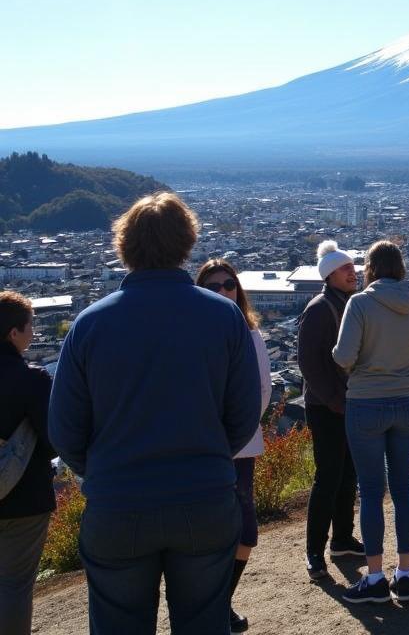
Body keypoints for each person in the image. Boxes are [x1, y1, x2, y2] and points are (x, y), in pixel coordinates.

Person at [49, 192, 261, 635]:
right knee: (203, 621)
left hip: (118, 502)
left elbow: (64, 429)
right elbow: (245, 414)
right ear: (186, 243)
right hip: (203, 498)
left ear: (124, 245)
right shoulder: (224, 317)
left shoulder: (90, 324)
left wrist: (107, 469)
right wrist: (208, 456)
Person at [332, 240, 409, 606]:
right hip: (407, 400)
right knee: (403, 488)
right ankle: (404, 575)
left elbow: (344, 357)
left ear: (370, 269)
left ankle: (374, 578)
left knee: (372, 491)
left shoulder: (360, 303)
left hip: (366, 403)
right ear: (401, 267)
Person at [196, 259, 273, 634]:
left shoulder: (250, 333)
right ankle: (209, 608)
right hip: (200, 449)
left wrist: (232, 435)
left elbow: (262, 391)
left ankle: (221, 599)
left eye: (228, 284)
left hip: (238, 448)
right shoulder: (189, 334)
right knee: (201, 530)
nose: (223, 291)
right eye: (212, 287)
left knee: (244, 530)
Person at [297, 240, 363, 581]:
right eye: (345, 269)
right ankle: (314, 551)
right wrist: (335, 398)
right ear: (329, 275)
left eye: (353, 267)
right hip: (326, 406)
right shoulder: (320, 307)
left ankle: (342, 539)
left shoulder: (351, 303)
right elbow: (307, 362)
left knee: (348, 473)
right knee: (328, 477)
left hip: (349, 402)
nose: (353, 273)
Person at [0, 292, 55, 635]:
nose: (34, 332)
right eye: (30, 326)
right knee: (15, 584)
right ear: (13, 333)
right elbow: (53, 439)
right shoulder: (32, 380)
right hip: (25, 498)